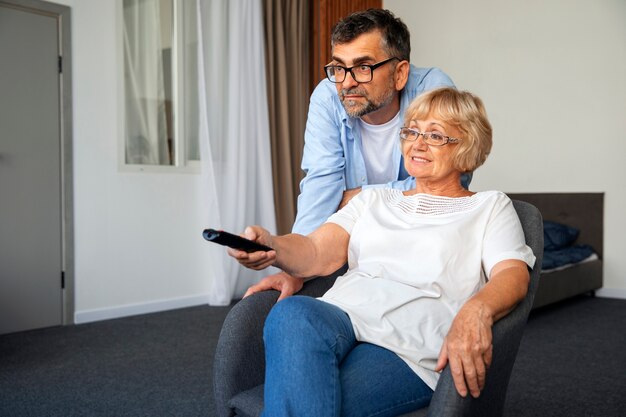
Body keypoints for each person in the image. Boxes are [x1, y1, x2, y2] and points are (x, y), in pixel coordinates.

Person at [227, 88, 536, 416]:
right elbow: (316, 250)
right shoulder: (373, 201)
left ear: (467, 145)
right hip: (342, 316)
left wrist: (477, 310)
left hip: (407, 346)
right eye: (411, 130)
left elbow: (513, 274)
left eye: (434, 134)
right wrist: (272, 246)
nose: (417, 143)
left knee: (316, 396)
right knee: (292, 314)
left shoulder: (489, 206)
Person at [245, 8, 460, 300]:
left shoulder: (433, 92)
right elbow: (321, 183)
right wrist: (295, 270)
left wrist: (361, 197)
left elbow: (446, 186)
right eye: (339, 67)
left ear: (400, 74)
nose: (346, 82)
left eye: (363, 67)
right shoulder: (327, 96)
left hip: (420, 242)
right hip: (352, 241)